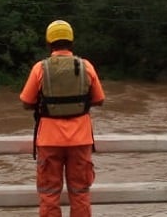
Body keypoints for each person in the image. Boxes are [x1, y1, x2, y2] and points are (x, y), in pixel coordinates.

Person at [20, 19, 106, 217]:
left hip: (49, 140)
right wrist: (78, 105)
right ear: (71, 42)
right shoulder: (86, 66)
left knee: (49, 194)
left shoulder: (40, 68)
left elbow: (26, 102)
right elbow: (99, 100)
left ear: (49, 43)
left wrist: (48, 105)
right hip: (81, 139)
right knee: (80, 193)